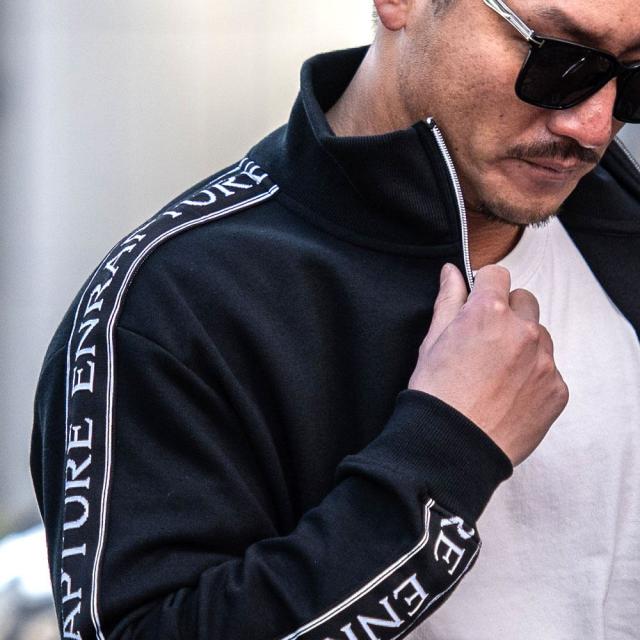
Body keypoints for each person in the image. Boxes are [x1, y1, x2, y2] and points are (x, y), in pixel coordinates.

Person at [30, 0, 640, 637]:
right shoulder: (169, 306)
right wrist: (447, 451)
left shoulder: (621, 229)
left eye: (632, 75)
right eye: (555, 56)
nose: (594, 126)